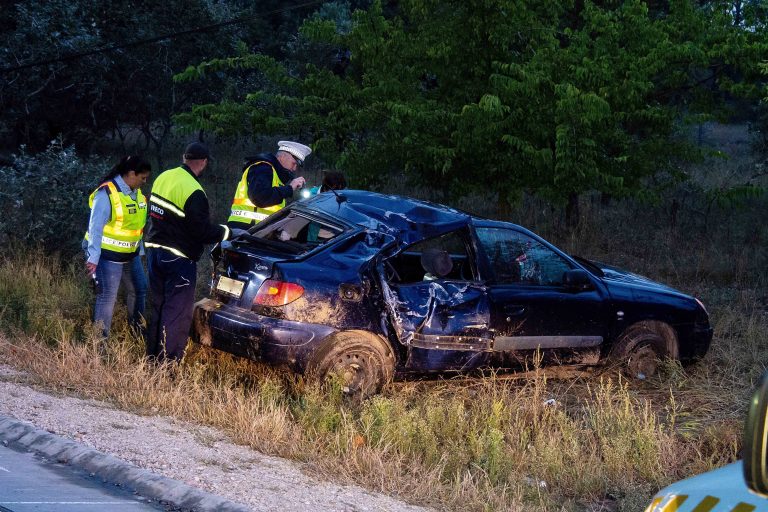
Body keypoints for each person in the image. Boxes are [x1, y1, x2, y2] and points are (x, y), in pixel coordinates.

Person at [144, 142, 230, 363]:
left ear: (184, 157)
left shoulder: (163, 177)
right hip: (178, 259)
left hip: (154, 252)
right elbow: (201, 232)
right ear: (203, 163)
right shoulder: (194, 191)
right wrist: (226, 232)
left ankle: (152, 358)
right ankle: (169, 364)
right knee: (177, 313)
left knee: (158, 307)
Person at [83, 155, 151, 339]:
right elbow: (95, 229)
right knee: (107, 297)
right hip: (107, 256)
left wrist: (140, 251)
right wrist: (93, 259)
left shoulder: (137, 194)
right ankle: (99, 342)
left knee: (139, 289)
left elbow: (137, 227)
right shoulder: (107, 193)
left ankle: (137, 331)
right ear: (131, 174)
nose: (144, 182)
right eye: (142, 177)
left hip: (131, 255)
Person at [227, 140, 311, 230]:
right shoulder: (262, 168)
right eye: (294, 163)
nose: (294, 168)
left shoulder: (276, 175)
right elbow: (260, 198)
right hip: (246, 230)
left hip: (258, 230)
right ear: (282, 156)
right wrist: (289, 188)